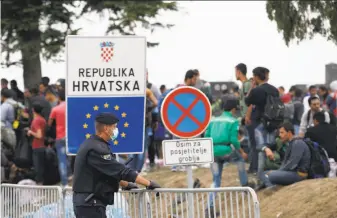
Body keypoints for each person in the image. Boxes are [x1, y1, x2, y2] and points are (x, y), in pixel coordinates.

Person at [73, 112, 160, 217]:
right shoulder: (97, 149)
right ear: (106, 128)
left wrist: (126, 184)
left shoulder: (92, 144)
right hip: (90, 204)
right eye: (114, 127)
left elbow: (107, 173)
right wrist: (148, 183)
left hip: (89, 203)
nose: (116, 130)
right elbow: (120, 171)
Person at [205, 99, 249, 216]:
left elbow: (206, 136)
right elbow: (234, 140)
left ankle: (209, 207)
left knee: (215, 180)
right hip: (226, 151)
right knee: (240, 160)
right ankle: (245, 187)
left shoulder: (213, 120)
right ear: (233, 109)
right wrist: (242, 152)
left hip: (213, 153)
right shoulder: (233, 121)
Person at [261, 122, 310, 192]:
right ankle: (270, 186)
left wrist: (276, 172)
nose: (279, 135)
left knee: (268, 175)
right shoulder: (292, 143)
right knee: (264, 173)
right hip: (292, 173)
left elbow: (292, 164)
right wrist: (276, 172)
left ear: (289, 132)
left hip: (299, 175)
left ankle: (272, 191)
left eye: (282, 133)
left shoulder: (298, 143)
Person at [48, 89, 70, 186]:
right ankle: (70, 177)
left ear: (58, 97)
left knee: (62, 160)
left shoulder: (55, 109)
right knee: (70, 158)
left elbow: (49, 123)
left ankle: (64, 182)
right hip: (70, 137)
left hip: (60, 136)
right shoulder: (71, 107)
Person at [27, 103, 47, 185]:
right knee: (41, 168)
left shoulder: (36, 120)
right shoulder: (43, 119)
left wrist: (30, 132)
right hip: (42, 146)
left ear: (33, 110)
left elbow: (39, 135)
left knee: (37, 168)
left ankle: (39, 187)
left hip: (37, 146)